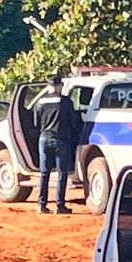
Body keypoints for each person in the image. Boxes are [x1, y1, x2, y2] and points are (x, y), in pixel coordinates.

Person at [32, 76, 82, 214]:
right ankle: (60, 205)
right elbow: (73, 122)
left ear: (49, 86)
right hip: (61, 140)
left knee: (44, 173)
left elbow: (36, 123)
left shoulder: (40, 102)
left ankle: (41, 204)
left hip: (44, 139)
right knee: (61, 173)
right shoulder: (65, 102)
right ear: (60, 86)